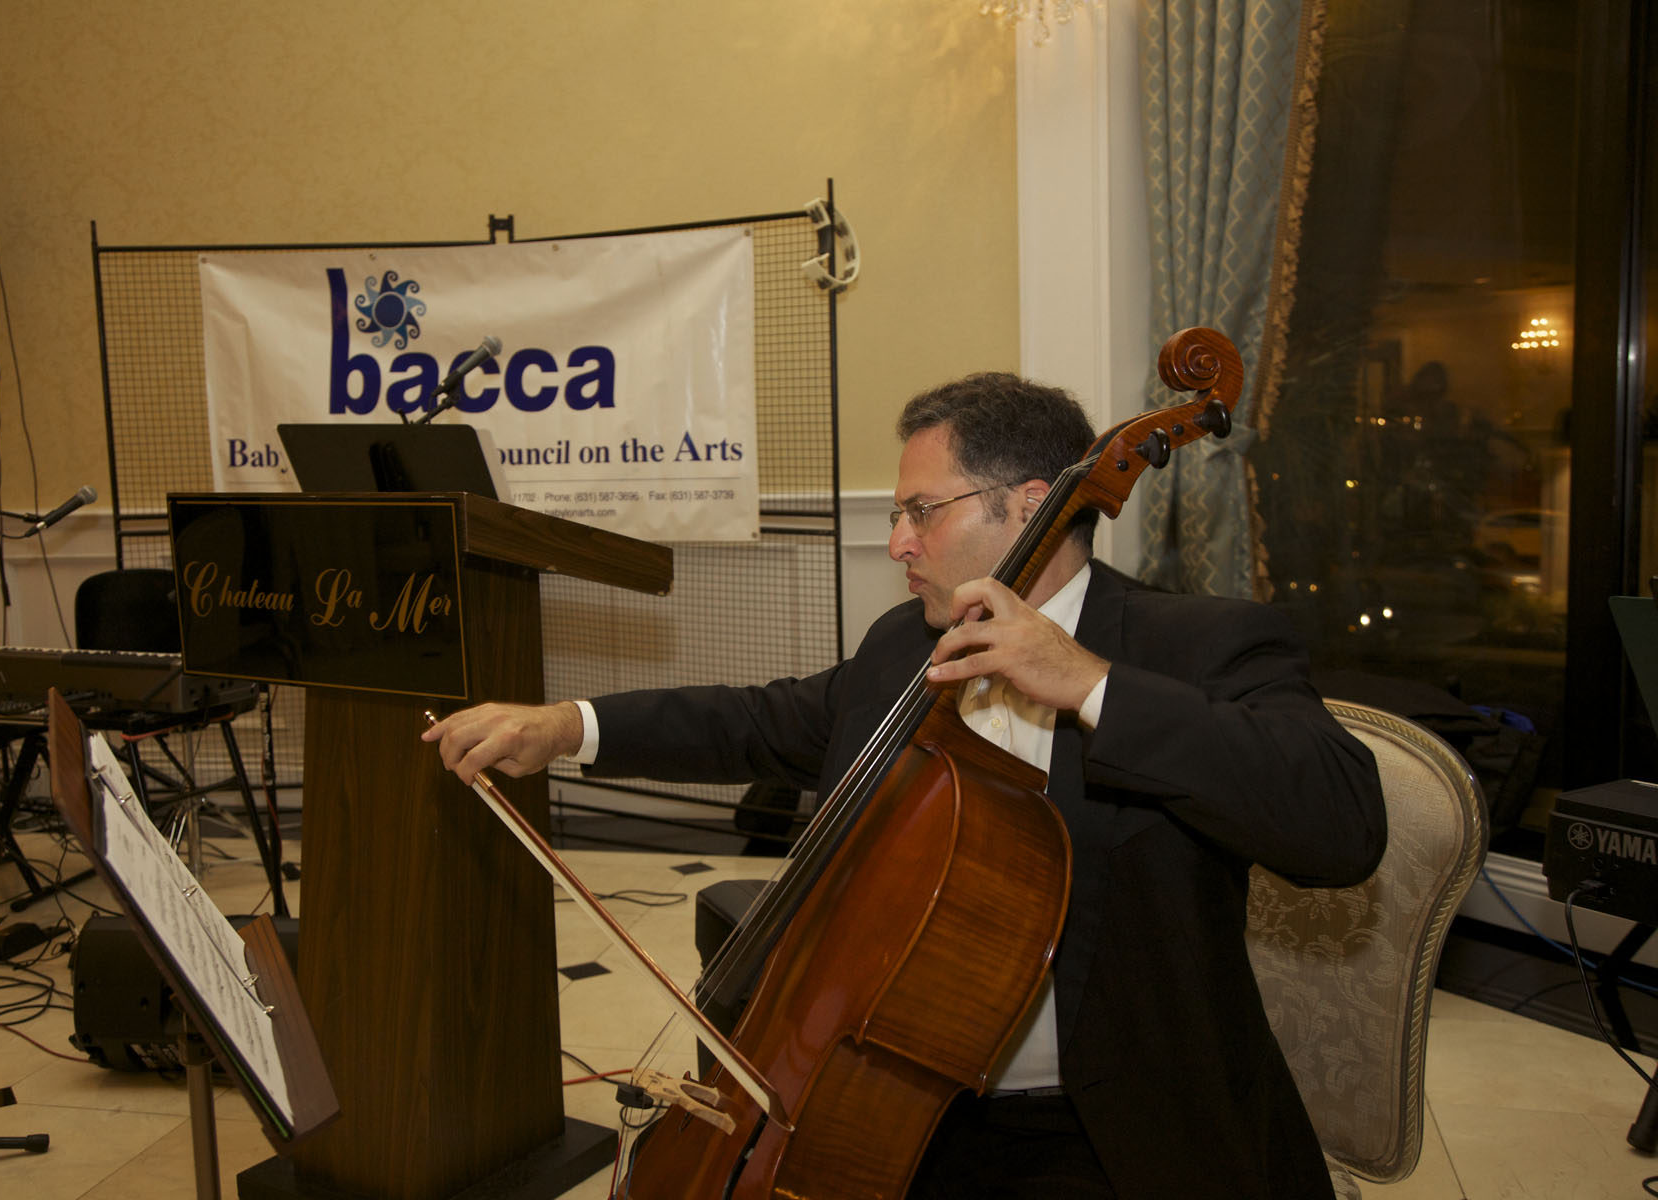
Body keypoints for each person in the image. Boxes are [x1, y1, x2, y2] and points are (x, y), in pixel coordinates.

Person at [422, 371, 1388, 1198]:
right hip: (898, 1105)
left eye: (922, 511)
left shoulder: (1200, 645)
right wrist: (565, 727)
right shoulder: (903, 646)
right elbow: (758, 720)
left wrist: (1090, 685)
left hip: (1114, 1131)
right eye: (896, 514)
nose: (897, 544)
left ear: (1031, 502)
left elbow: (1341, 824)